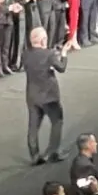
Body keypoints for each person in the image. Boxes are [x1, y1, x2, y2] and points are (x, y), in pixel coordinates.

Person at [24, 25, 70, 164]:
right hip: (49, 96)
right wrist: (64, 54)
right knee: (57, 121)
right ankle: (53, 152)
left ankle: (34, 155)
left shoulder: (26, 54)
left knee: (33, 126)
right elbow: (61, 68)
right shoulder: (49, 54)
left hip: (32, 95)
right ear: (43, 40)